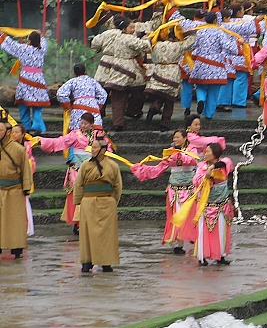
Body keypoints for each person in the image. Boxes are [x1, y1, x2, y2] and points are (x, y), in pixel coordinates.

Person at [37, 112, 111, 231]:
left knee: (92, 195)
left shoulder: (100, 135)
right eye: (81, 123)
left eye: (86, 123)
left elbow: (108, 150)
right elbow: (60, 142)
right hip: (77, 169)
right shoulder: (75, 134)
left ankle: (91, 220)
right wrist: (42, 141)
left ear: (92, 124)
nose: (83, 125)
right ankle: (78, 223)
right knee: (77, 196)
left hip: (93, 170)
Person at [130, 130, 200, 254]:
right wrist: (142, 170)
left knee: (189, 215)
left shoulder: (192, 150)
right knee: (177, 215)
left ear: (185, 138)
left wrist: (179, 155)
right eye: (174, 137)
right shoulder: (170, 151)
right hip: (174, 190)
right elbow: (160, 167)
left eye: (178, 137)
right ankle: (178, 244)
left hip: (189, 189)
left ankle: (192, 237)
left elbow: (193, 161)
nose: (176, 139)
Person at [92, 19, 152, 130]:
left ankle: (116, 123)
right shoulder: (129, 38)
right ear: (123, 28)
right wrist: (148, 38)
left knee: (116, 96)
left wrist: (97, 50)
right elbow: (145, 46)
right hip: (130, 68)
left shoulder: (115, 36)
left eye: (134, 27)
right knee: (138, 90)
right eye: (131, 27)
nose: (133, 30)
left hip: (114, 66)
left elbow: (95, 43)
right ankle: (132, 111)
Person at [74, 136, 122, 273]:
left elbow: (117, 186)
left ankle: (106, 262)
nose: (93, 150)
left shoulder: (113, 166)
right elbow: (79, 184)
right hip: (88, 202)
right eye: (92, 147)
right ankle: (87, 261)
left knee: (107, 234)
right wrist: (78, 201)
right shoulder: (85, 165)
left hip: (107, 202)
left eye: (95, 147)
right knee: (87, 234)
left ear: (103, 150)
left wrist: (113, 201)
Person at [186, 142, 234, 266]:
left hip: (222, 204)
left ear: (215, 153)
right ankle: (202, 257)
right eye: (205, 151)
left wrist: (211, 168)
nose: (205, 153)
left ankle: (221, 255)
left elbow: (226, 164)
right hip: (206, 205)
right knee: (203, 231)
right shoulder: (201, 166)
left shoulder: (225, 162)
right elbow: (195, 181)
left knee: (221, 230)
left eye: (208, 151)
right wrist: (207, 178)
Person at [186, 11, 240, 119]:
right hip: (216, 65)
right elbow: (230, 47)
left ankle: (201, 99)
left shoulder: (200, 31)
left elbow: (191, 46)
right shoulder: (220, 32)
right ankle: (209, 114)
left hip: (201, 64)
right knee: (213, 91)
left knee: (200, 86)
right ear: (215, 20)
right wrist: (238, 44)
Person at [145, 25, 195, 130]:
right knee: (169, 100)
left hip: (159, 70)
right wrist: (186, 32)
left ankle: (155, 107)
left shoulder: (158, 45)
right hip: (172, 72)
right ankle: (164, 124)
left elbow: (148, 41)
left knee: (160, 94)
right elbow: (192, 40)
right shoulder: (179, 46)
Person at [0, 32, 49, 134]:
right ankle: (37, 127)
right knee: (37, 105)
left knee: (23, 104)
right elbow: (44, 42)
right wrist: (41, 35)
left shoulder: (23, 48)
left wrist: (3, 35)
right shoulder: (42, 49)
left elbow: (11, 44)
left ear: (29, 41)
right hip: (38, 79)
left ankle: (26, 127)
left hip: (25, 80)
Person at [0, 120, 32, 259]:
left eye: (0, 130)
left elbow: (26, 169)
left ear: (7, 132)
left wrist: (26, 188)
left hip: (15, 189)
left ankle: (17, 248)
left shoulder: (19, 149)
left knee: (15, 221)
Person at [57, 64, 108, 130]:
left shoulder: (72, 81)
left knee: (78, 132)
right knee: (95, 131)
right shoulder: (93, 81)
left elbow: (61, 94)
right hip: (93, 106)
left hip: (78, 107)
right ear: (85, 71)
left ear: (74, 73)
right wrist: (97, 105)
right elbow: (103, 95)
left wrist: (67, 106)